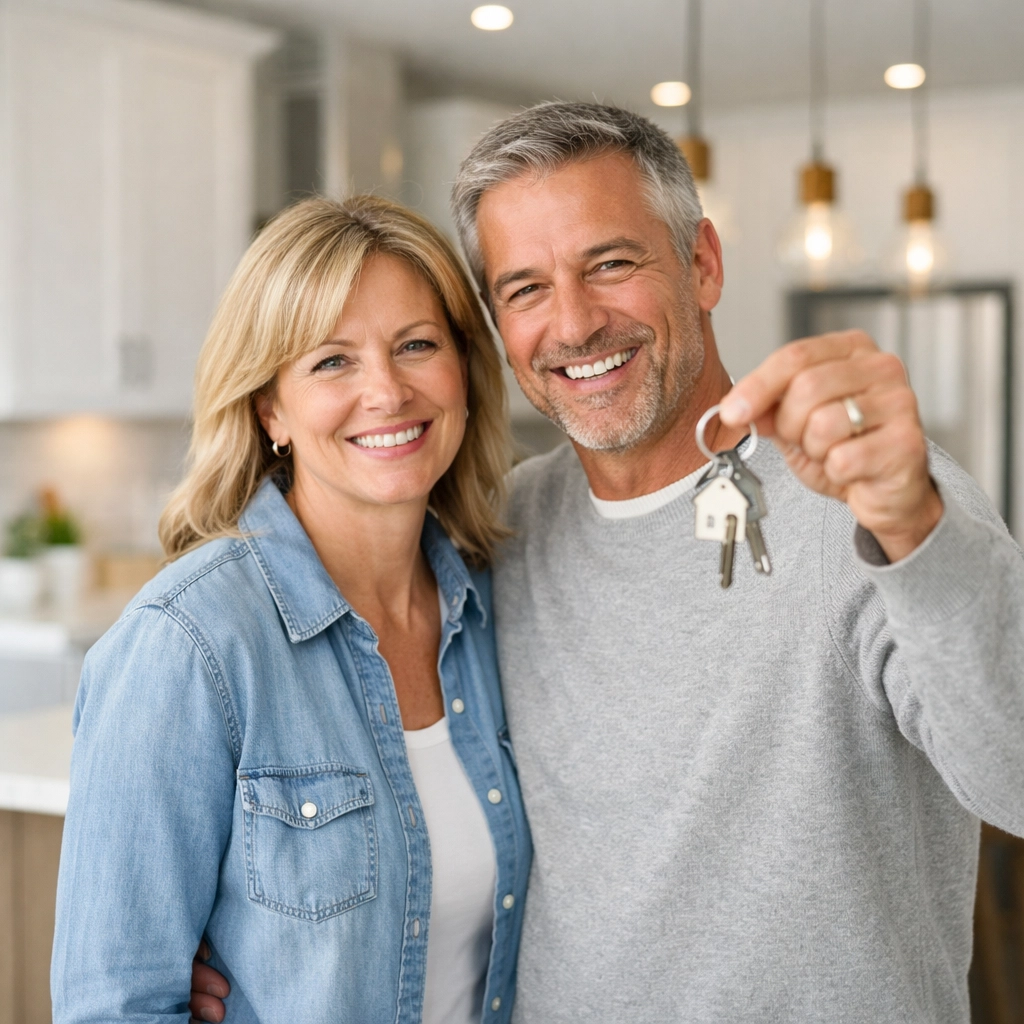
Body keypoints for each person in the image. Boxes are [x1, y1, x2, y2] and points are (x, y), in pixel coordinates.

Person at [195, 102, 1024, 1023]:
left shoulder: (874, 503)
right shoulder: (497, 533)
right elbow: (406, 801)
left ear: (702, 263)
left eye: (612, 264)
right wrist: (241, 929)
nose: (575, 324)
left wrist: (913, 523)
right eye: (524, 289)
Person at [51, 195, 531, 1024]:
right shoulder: (190, 646)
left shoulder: (495, 606)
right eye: (331, 361)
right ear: (270, 407)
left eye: (417, 345)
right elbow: (113, 1005)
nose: (386, 391)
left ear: (464, 373)